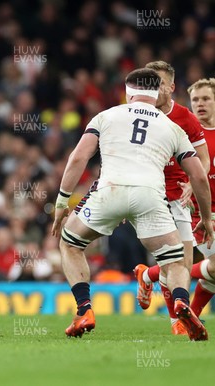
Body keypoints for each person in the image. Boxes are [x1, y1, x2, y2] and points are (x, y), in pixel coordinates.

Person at [52, 68, 213, 341]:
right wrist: (207, 217)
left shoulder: (107, 116)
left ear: (128, 93)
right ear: (157, 92)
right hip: (151, 196)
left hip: (109, 191)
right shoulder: (172, 127)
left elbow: (78, 158)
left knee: (70, 244)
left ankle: (84, 309)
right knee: (176, 262)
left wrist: (61, 202)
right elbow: (198, 174)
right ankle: (181, 302)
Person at [133, 61, 208, 335]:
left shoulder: (185, 117)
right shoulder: (137, 114)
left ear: (171, 87)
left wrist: (190, 182)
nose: (154, 89)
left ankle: (146, 275)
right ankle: (175, 322)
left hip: (178, 197)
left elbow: (204, 159)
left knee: (183, 265)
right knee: (173, 262)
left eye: (160, 83)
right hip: (148, 197)